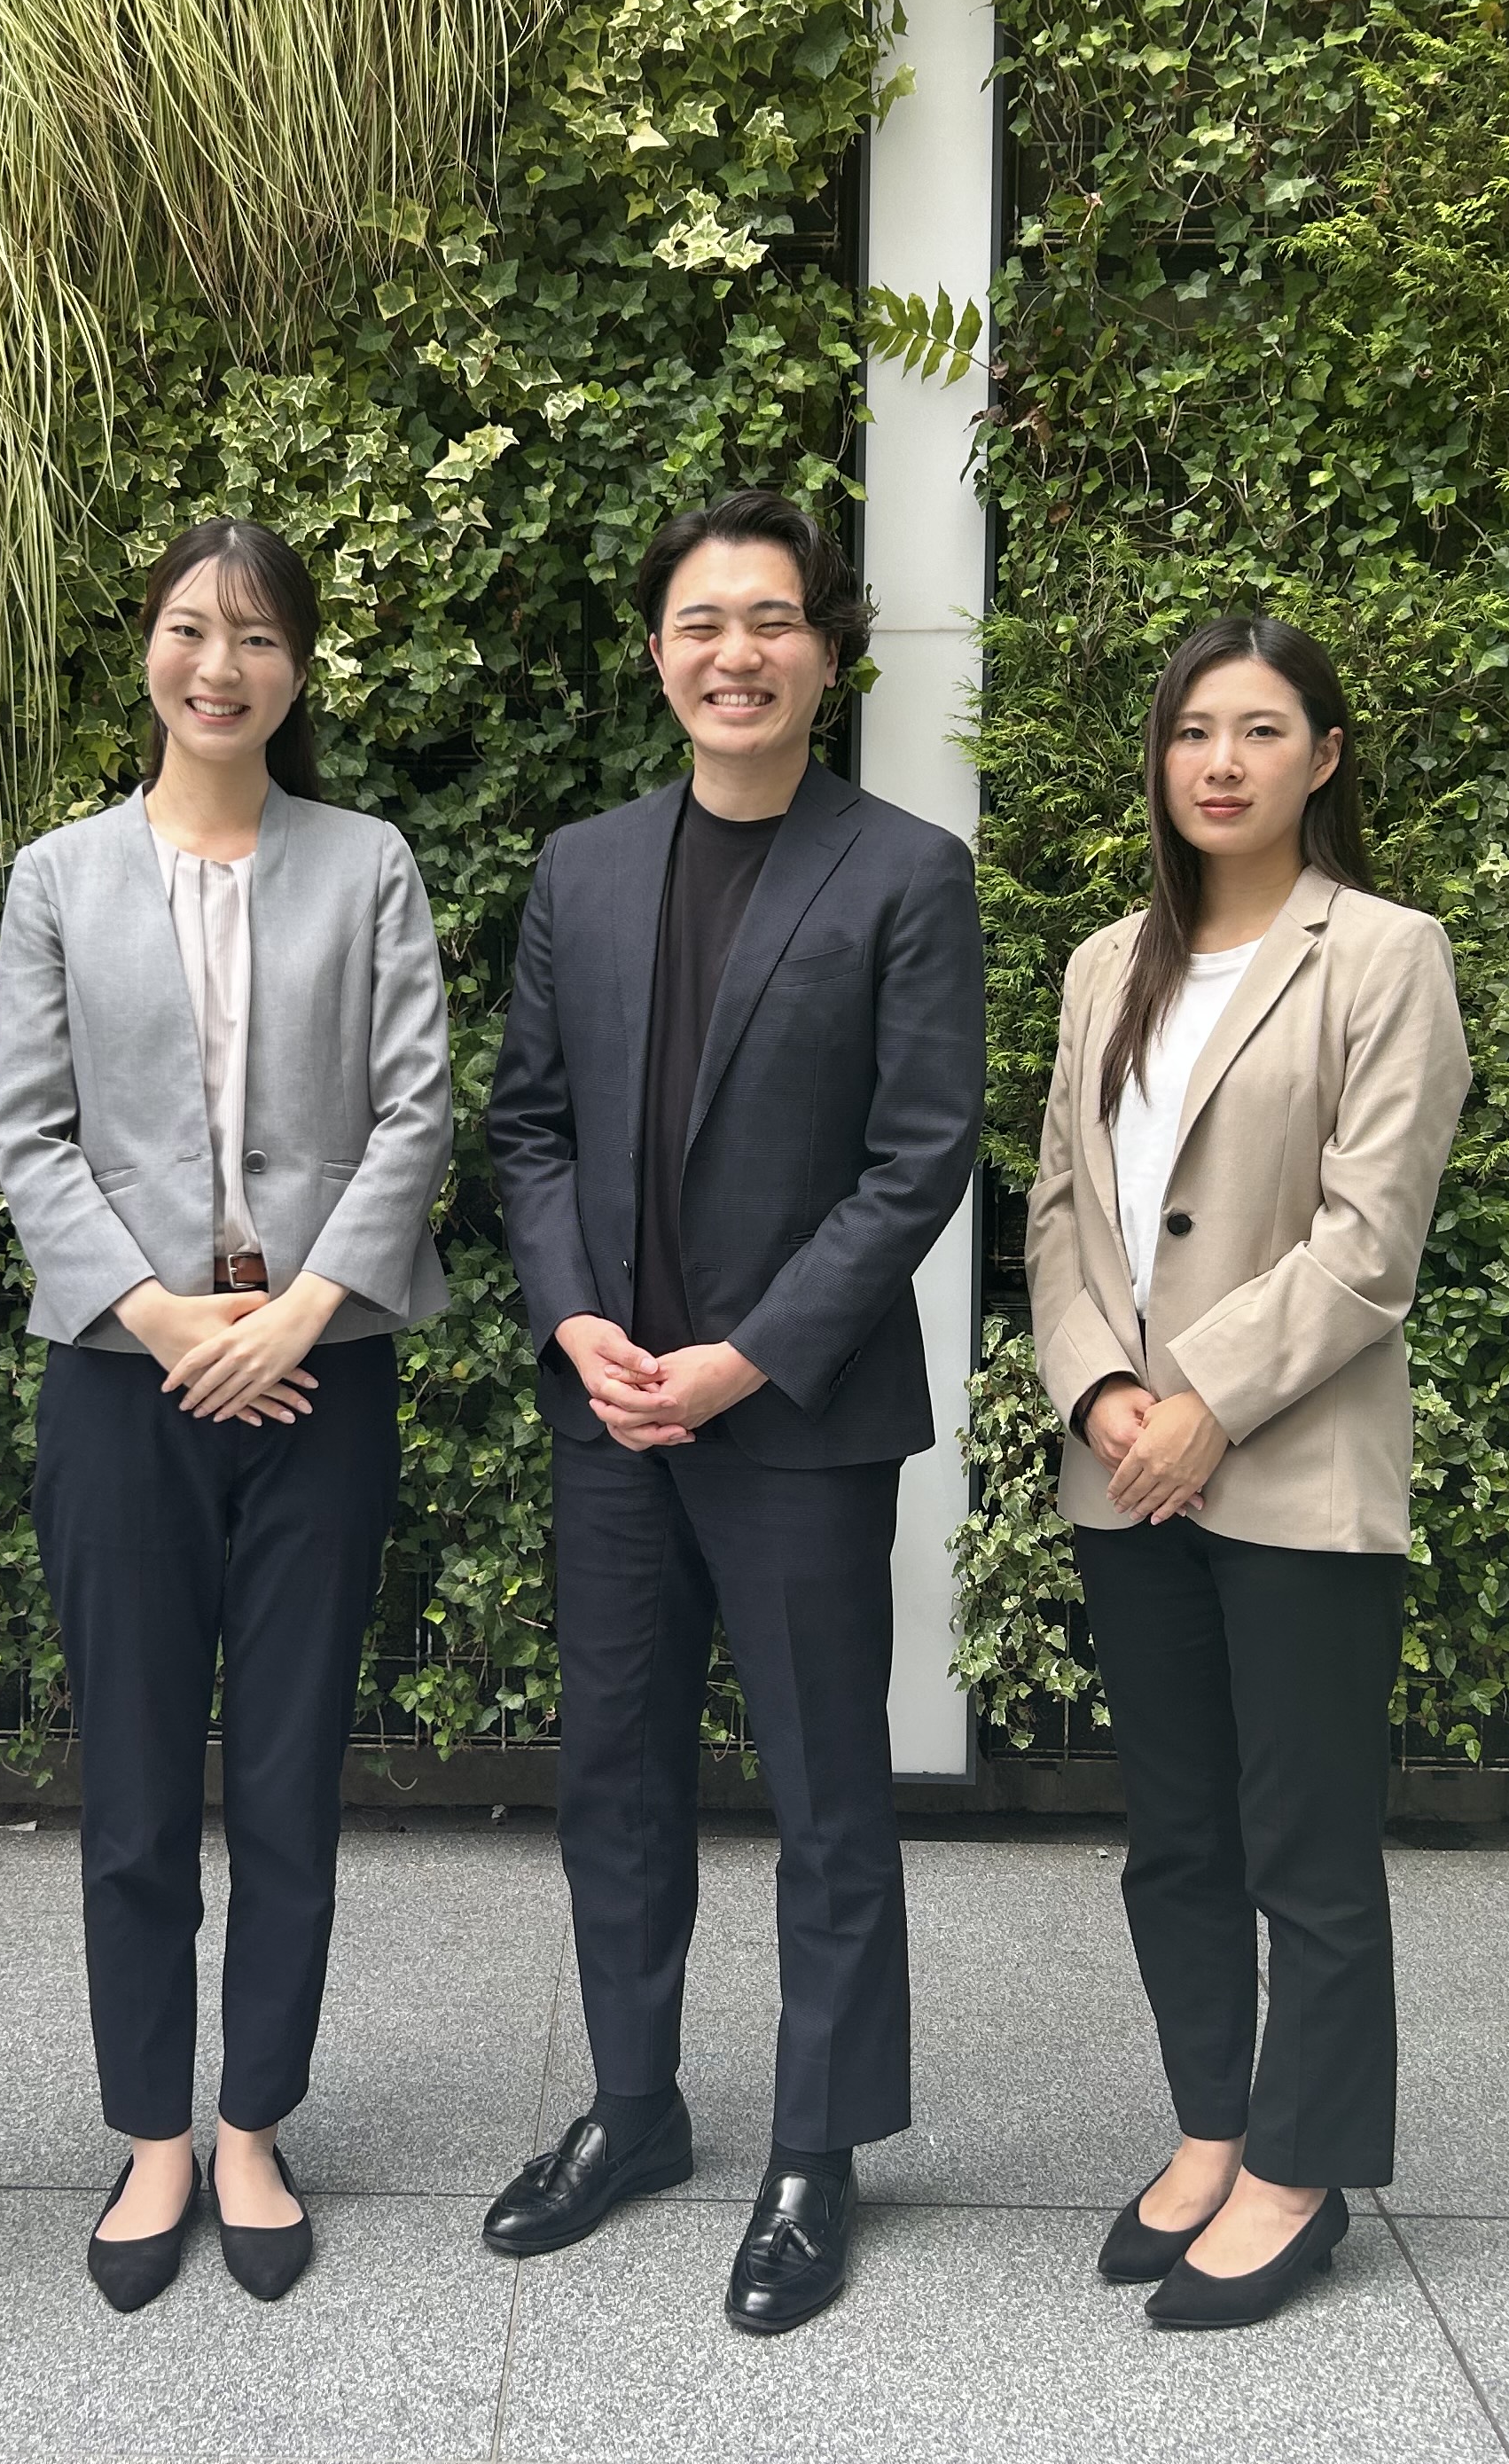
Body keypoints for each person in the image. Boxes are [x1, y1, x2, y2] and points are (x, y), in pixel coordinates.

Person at [481, 489, 983, 2335]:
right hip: (614, 1413)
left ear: (827, 655)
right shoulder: (585, 869)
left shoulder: (904, 873)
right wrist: (579, 1325)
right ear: (658, 654)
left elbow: (918, 1157)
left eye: (771, 621)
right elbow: (529, 1126)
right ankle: (635, 2109)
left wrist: (749, 1355)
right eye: (702, 623)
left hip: (798, 1422)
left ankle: (815, 2150)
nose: (736, 654)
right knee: (612, 1780)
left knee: (826, 1793)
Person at [0, 517, 455, 2311]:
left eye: (257, 636)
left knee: (287, 1771)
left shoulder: (366, 863)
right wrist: (169, 1318)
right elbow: (30, 1132)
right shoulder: (59, 877)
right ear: (150, 651)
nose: (221, 664)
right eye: (192, 628)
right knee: (129, 1780)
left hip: (321, 1378)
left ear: (298, 668)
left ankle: (252, 2119)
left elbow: (414, 1113)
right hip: (129, 1386)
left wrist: (304, 1314)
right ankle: (151, 2136)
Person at [1020, 614, 1469, 2330]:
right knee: (1177, 1835)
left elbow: (1373, 1239)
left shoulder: (1385, 954)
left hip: (1294, 1469)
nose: (1221, 762)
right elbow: (1061, 1212)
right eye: (1194, 730)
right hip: (1127, 1466)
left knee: (1307, 1842)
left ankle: (1302, 2167)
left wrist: (1205, 1396)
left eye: (1261, 730)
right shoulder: (1102, 967)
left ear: (1322, 757)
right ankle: (1212, 2125)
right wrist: (1103, 1392)